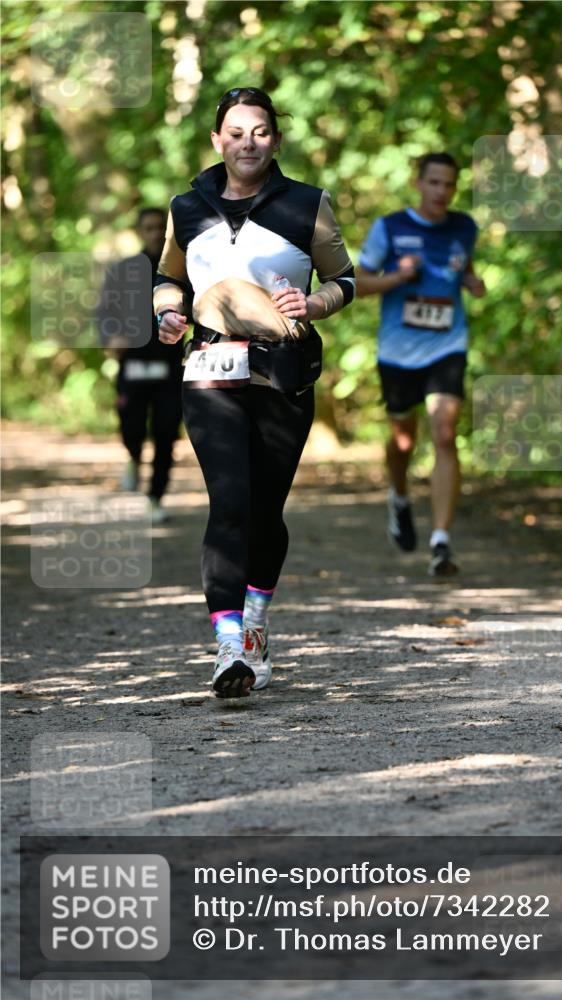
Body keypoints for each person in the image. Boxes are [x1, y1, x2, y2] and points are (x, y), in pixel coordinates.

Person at [154, 86, 355, 698]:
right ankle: (228, 644)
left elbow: (345, 279)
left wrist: (313, 303)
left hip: (282, 371)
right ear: (217, 139)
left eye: (260, 132)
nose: (248, 143)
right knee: (230, 503)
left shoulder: (308, 204)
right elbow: (167, 276)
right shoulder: (186, 206)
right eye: (236, 133)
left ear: (276, 139)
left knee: (266, 509)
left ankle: (256, 621)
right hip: (210, 367)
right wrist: (167, 312)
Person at [356, 152, 486, 577]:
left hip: (447, 344)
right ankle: (399, 496)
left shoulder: (464, 227)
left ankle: (441, 541)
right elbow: (358, 283)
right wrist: (397, 277)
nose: (441, 192)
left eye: (449, 184)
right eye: (434, 183)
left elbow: (463, 267)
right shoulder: (390, 227)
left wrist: (471, 280)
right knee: (404, 441)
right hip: (398, 352)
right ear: (418, 183)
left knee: (445, 433)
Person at [98, 208, 184, 524]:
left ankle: (155, 497)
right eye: (148, 227)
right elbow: (105, 312)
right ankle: (133, 456)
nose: (155, 233)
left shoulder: (181, 269)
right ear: (139, 231)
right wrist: (111, 338)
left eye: (160, 227)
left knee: (166, 432)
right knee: (131, 426)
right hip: (133, 364)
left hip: (170, 366)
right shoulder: (124, 270)